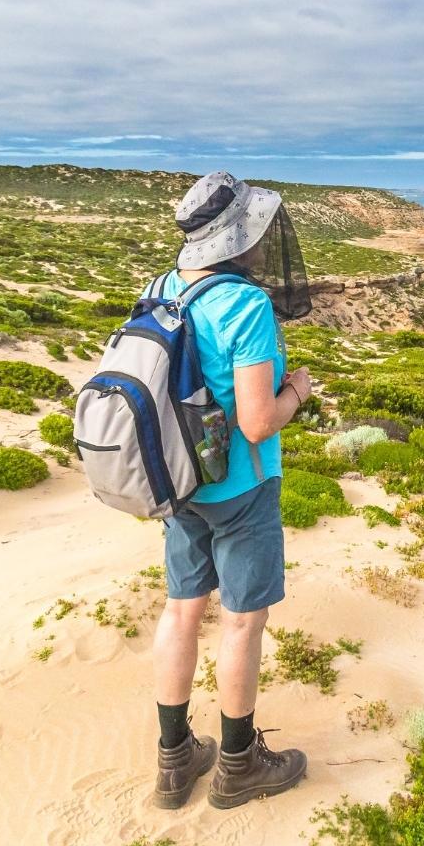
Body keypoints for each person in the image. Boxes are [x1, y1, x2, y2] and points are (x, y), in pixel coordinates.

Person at [149, 172, 315, 811]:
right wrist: (296, 391)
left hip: (180, 483)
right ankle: (239, 765)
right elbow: (257, 422)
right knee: (242, 622)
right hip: (240, 488)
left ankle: (174, 761)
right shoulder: (245, 305)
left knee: (181, 611)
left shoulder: (162, 288)